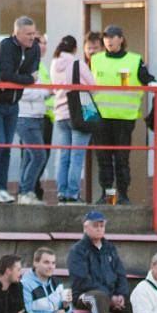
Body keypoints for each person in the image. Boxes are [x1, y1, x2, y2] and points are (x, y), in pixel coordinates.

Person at [91, 25, 157, 205]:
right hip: (100, 118)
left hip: (124, 118)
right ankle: (108, 196)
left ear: (121, 39)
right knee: (103, 159)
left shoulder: (134, 60)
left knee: (121, 159)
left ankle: (123, 196)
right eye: (106, 38)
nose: (109, 41)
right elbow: (85, 86)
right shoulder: (95, 60)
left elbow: (147, 78)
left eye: (112, 37)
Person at [0, 16, 40, 204]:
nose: (33, 37)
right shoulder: (6, 46)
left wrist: (24, 78)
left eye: (34, 33)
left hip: (13, 103)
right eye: (28, 34)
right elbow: (5, 75)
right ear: (17, 33)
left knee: (7, 146)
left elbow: (33, 73)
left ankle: (2, 188)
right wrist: (27, 79)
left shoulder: (35, 48)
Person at [68, 211, 131, 313]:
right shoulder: (77, 250)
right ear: (86, 228)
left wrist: (121, 295)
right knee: (99, 297)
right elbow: (83, 281)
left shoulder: (110, 248)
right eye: (95, 225)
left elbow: (121, 274)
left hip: (111, 295)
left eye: (102, 226)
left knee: (137, 297)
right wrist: (109, 297)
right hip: (83, 295)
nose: (99, 229)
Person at [50, 35, 96, 204]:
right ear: (75, 48)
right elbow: (93, 86)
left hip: (60, 113)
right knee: (77, 156)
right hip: (79, 113)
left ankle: (61, 192)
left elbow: (55, 88)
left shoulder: (54, 63)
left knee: (64, 156)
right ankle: (73, 194)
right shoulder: (77, 63)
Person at [16, 54, 50, 205]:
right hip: (25, 117)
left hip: (37, 116)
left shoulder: (35, 71)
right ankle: (26, 191)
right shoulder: (19, 71)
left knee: (29, 157)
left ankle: (25, 192)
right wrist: (45, 92)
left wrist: (44, 91)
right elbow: (22, 93)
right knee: (39, 155)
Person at [33, 33, 54, 201]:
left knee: (42, 156)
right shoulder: (32, 63)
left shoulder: (42, 65)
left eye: (45, 43)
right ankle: (30, 189)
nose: (44, 46)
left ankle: (34, 188)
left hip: (47, 116)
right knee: (35, 156)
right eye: (40, 43)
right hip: (36, 116)